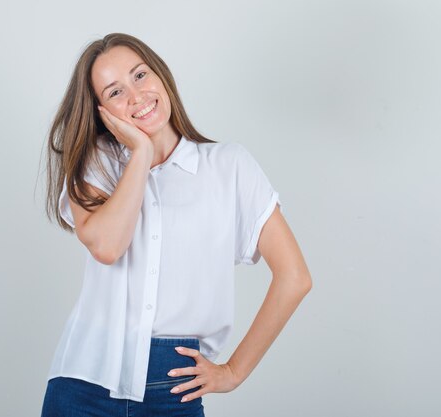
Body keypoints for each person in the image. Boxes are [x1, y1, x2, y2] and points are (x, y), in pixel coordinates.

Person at [41, 32, 312, 417]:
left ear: (161, 75)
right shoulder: (98, 163)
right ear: (101, 111)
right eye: (115, 92)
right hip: (85, 381)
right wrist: (141, 154)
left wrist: (234, 371)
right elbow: (106, 246)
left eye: (140, 75)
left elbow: (294, 277)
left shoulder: (229, 166)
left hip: (174, 385)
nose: (135, 96)